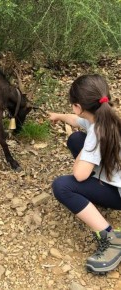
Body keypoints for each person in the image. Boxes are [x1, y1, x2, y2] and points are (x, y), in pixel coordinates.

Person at [49, 74, 121, 274]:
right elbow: (75, 120)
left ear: (79, 106)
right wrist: (58, 116)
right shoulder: (105, 116)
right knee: (75, 138)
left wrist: (85, 152)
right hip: (116, 177)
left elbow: (79, 175)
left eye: (72, 105)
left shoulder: (97, 132)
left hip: (118, 192)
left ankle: (112, 239)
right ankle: (92, 195)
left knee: (63, 186)